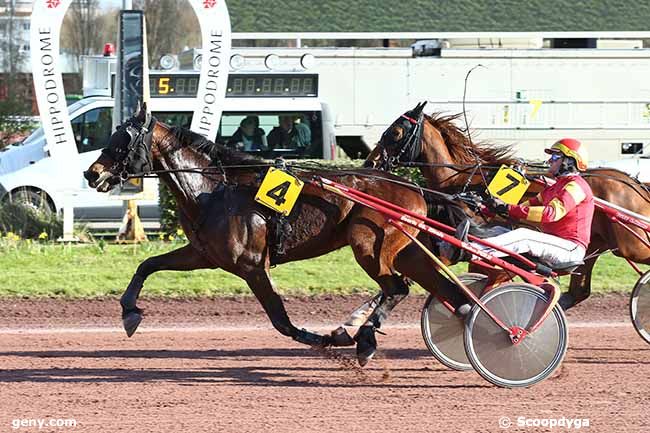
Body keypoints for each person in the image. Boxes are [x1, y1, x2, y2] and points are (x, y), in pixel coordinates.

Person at [442, 138, 595, 307]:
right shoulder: (553, 188)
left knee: (523, 236)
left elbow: (551, 214)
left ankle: (469, 251)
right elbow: (522, 208)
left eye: (554, 157)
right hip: (556, 245)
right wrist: (488, 208)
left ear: (568, 161)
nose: (549, 161)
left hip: (570, 248)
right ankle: (464, 243)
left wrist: (508, 208)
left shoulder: (576, 186)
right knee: (502, 230)